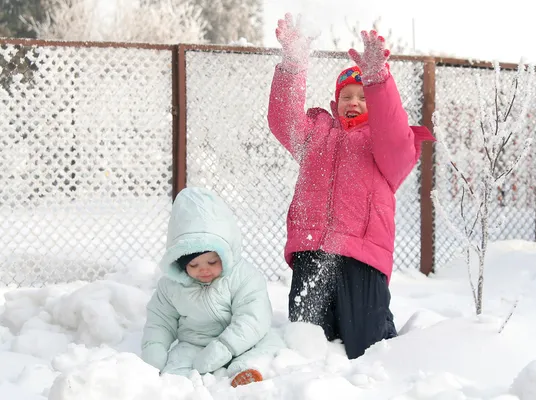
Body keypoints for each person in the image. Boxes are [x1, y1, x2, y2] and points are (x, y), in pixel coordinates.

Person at [267, 13, 436, 359]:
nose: (354, 102)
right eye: (347, 96)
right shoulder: (315, 132)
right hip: (312, 249)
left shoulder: (383, 142)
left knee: (369, 345)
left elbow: (395, 136)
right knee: (305, 340)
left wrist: (378, 81)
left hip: (362, 255)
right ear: (335, 102)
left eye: (363, 96)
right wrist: (293, 62)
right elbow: (282, 119)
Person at [141, 187, 277, 387]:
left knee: (264, 348)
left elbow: (253, 318)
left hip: (243, 341)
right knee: (177, 364)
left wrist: (225, 347)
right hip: (195, 342)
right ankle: (178, 387)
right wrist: (154, 348)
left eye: (212, 262)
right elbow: (160, 320)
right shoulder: (171, 286)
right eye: (194, 265)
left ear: (225, 255)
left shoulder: (244, 277)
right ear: (179, 263)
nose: (204, 271)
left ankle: (245, 373)